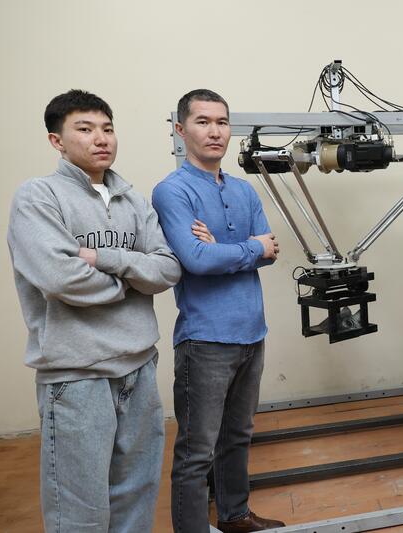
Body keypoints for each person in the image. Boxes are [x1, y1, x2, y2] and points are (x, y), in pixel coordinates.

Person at [7, 89, 181, 532]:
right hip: (77, 375)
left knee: (136, 498)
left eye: (107, 128)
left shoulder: (133, 199)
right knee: (79, 512)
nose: (100, 138)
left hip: (139, 368)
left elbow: (167, 269)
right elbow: (61, 278)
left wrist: (105, 260)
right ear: (57, 141)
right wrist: (132, 282)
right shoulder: (38, 197)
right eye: (84, 129)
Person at [152, 89, 284, 533]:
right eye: (203, 121)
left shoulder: (244, 189)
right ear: (180, 129)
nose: (215, 131)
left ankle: (234, 515)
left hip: (252, 332)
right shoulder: (172, 191)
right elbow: (197, 260)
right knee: (197, 450)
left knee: (238, 436)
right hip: (205, 339)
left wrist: (225, 249)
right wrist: (248, 248)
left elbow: (271, 251)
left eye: (222, 122)